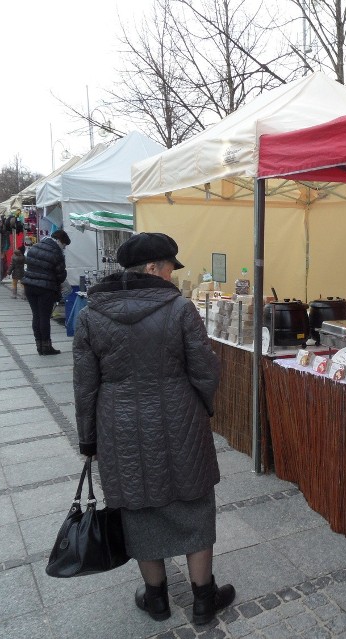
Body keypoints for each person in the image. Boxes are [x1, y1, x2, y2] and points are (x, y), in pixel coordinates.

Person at [72, 232, 234, 625]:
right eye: (168, 267)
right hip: (179, 419)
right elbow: (205, 369)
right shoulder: (179, 309)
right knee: (194, 505)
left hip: (119, 425)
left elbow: (84, 384)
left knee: (137, 506)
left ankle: (157, 599)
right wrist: (202, 405)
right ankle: (202, 600)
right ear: (151, 268)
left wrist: (88, 437)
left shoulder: (92, 313)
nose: (172, 275)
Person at [22, 230, 71, 354]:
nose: (64, 248)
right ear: (60, 241)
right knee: (44, 317)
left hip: (29, 286)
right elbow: (60, 275)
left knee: (36, 316)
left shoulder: (35, 247)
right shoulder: (56, 252)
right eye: (64, 245)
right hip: (45, 288)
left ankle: (39, 345)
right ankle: (47, 346)